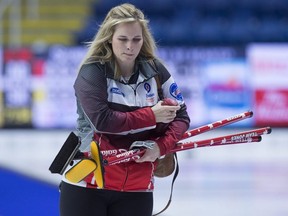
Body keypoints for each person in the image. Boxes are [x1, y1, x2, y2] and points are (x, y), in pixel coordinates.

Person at [59, 3, 190, 216]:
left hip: (137, 185)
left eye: (136, 39)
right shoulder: (92, 71)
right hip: (89, 180)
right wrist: (151, 115)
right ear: (110, 38)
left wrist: (161, 147)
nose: (130, 46)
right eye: (123, 39)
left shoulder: (155, 69)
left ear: (143, 39)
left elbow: (182, 115)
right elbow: (103, 121)